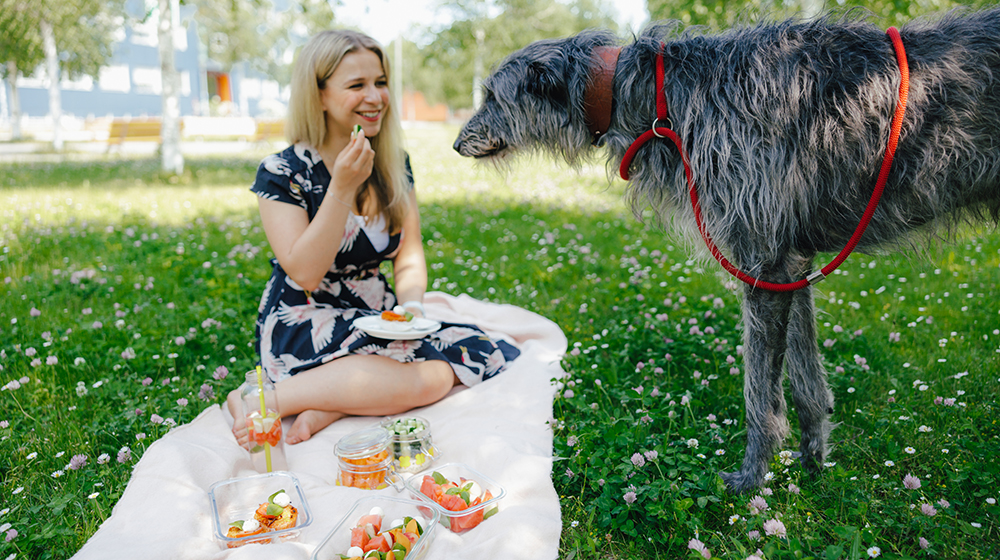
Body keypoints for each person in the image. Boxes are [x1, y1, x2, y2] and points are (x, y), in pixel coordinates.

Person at [227, 29, 520, 446]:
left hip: (377, 314)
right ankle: (267, 399)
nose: (376, 97)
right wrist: (342, 188)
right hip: (306, 318)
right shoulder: (283, 171)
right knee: (418, 382)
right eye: (357, 85)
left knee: (471, 353)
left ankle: (330, 404)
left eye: (380, 82)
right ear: (320, 95)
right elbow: (305, 272)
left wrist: (413, 306)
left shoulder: (392, 162)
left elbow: (409, 253)